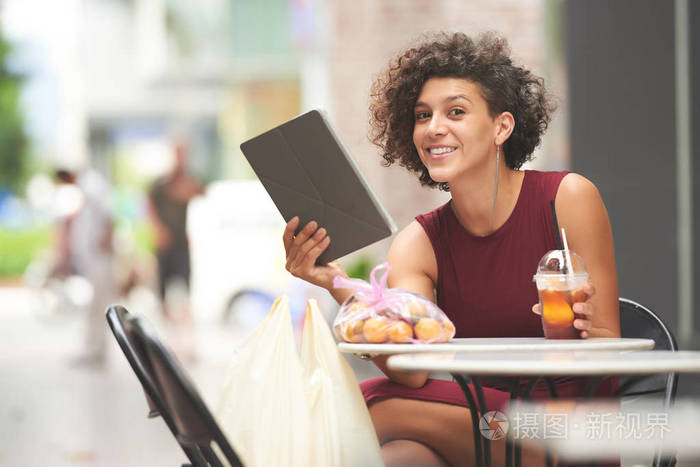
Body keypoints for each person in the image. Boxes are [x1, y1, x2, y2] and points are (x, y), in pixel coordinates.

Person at [283, 31, 619, 466]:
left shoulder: (568, 198)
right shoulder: (419, 244)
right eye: (423, 116)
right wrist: (336, 283)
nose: (434, 127)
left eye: (455, 111)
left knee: (368, 403)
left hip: (573, 432)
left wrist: (590, 329)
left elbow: (611, 345)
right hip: (486, 427)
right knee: (401, 456)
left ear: (502, 126)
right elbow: (412, 369)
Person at [54, 166, 116, 367]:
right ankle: (92, 347)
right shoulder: (84, 188)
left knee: (99, 304)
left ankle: (97, 349)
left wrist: (105, 241)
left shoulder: (92, 184)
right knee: (93, 305)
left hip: (99, 255)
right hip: (92, 256)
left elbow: (107, 213)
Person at [147, 141, 203, 322]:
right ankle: (165, 320)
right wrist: (158, 230)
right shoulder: (161, 182)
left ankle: (185, 325)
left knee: (186, 284)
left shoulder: (189, 179)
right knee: (163, 285)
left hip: (182, 242)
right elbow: (150, 205)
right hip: (165, 244)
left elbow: (197, 193)